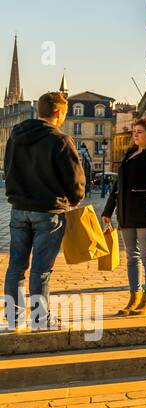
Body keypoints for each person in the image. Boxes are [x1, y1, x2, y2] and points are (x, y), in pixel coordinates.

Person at [4, 92, 85, 332]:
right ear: (58, 113)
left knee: (16, 267)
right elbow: (75, 179)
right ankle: (40, 320)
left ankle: (14, 320)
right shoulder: (59, 139)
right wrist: (74, 199)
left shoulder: (16, 136)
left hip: (19, 209)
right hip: (48, 212)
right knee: (41, 269)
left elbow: (8, 168)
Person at [101, 117, 146, 317]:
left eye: (140, 132)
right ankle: (134, 297)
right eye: (134, 131)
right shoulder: (129, 154)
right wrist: (108, 210)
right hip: (125, 211)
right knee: (131, 257)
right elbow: (118, 185)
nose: (135, 135)